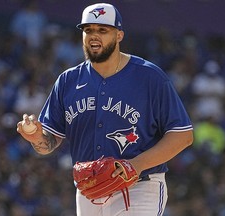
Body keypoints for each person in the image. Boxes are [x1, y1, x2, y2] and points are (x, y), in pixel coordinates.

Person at [17, 3, 193, 216]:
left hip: (139, 185)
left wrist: (135, 165)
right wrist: (37, 137)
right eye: (88, 30)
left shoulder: (149, 77)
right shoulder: (68, 81)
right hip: (89, 190)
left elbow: (183, 135)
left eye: (102, 30)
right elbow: (48, 144)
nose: (94, 36)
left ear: (119, 35)